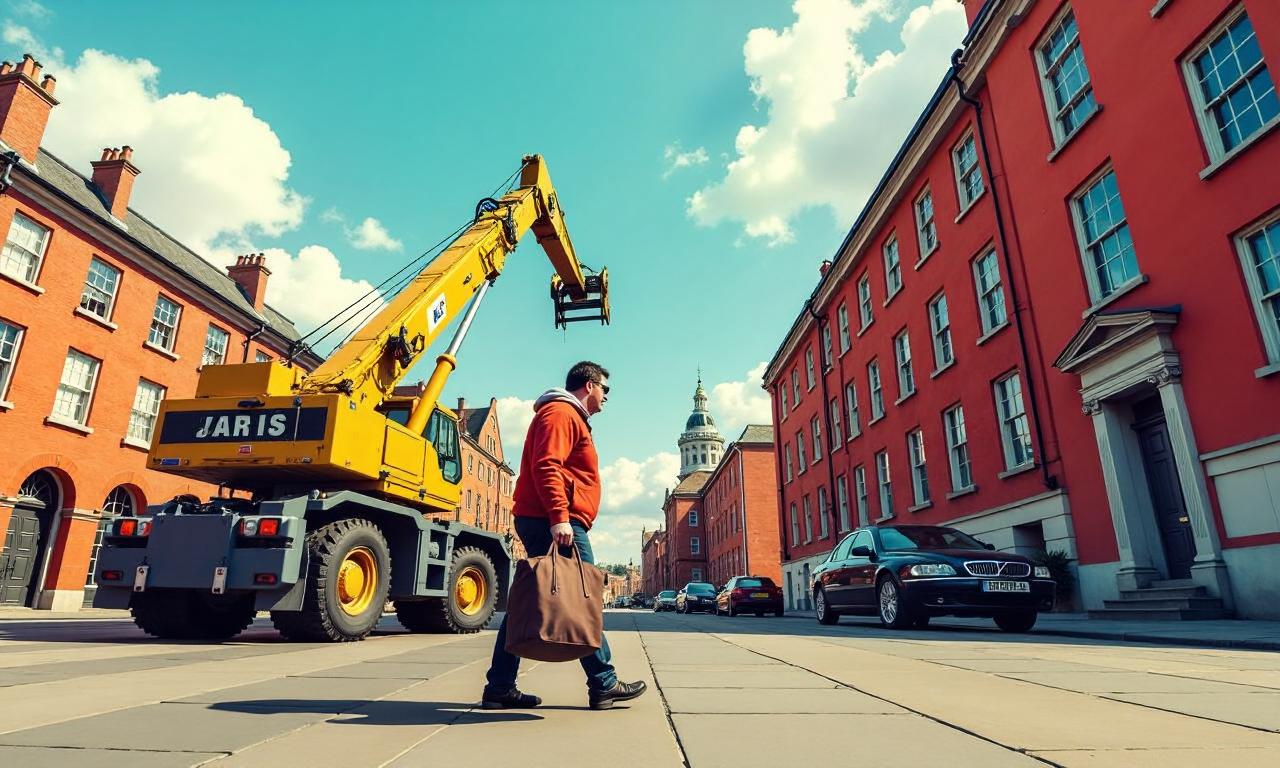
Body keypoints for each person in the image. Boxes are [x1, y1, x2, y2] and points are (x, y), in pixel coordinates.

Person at [481, 361, 648, 711]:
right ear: (589, 385)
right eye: (605, 389)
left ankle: (500, 685)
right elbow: (547, 465)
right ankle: (603, 683)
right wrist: (560, 517)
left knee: (532, 601)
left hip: (549, 517)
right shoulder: (560, 412)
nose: (606, 397)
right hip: (554, 520)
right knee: (582, 598)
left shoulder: (566, 415)